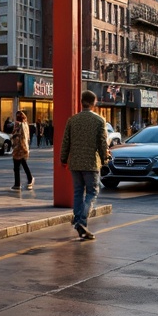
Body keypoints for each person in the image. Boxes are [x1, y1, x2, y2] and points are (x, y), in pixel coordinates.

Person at [59, 90, 110, 241]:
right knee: (92, 193)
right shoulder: (99, 121)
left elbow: (65, 141)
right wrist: (105, 159)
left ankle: (77, 220)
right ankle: (81, 222)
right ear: (94, 103)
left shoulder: (72, 120)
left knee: (78, 193)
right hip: (91, 163)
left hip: (75, 163)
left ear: (82, 102)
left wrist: (63, 159)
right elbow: (102, 144)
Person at [9, 111, 33, 191]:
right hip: (24, 146)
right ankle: (29, 179)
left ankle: (17, 184)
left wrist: (12, 137)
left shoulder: (18, 124)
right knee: (23, 164)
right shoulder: (26, 124)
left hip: (18, 147)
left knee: (16, 167)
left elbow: (14, 134)